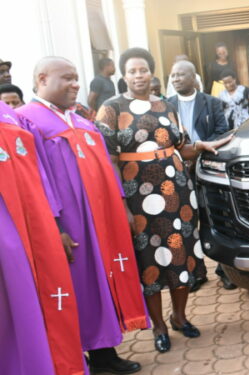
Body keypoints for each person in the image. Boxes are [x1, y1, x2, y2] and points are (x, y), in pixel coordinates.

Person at [95, 47, 232, 353]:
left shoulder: (165, 106)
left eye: (143, 70)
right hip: (138, 198)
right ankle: (157, 326)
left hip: (177, 193)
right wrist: (121, 206)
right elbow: (108, 162)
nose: (138, 76)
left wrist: (207, 146)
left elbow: (181, 146)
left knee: (180, 252)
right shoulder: (111, 108)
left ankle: (179, 317)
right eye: (132, 71)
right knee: (150, 260)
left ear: (151, 72)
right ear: (124, 75)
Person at [17, 56, 147, 375]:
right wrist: (53, 225)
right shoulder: (27, 120)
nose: (76, 84)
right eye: (68, 78)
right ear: (43, 79)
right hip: (66, 224)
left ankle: (104, 354)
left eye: (77, 77)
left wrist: (121, 208)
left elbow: (106, 167)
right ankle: (74, 359)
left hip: (98, 223)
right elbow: (34, 179)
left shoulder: (82, 122)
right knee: (71, 289)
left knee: (99, 283)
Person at [0, 101, 85, 375]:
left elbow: (38, 171)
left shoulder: (8, 112)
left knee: (45, 299)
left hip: (33, 221)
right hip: (8, 230)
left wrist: (52, 218)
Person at [167, 60, 235, 291]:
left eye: (180, 74)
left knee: (213, 216)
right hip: (177, 170)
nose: (175, 79)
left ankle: (223, 270)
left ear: (194, 77)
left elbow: (221, 131)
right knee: (187, 221)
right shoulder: (166, 106)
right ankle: (196, 272)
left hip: (205, 168)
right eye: (173, 75)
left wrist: (199, 151)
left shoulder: (212, 102)